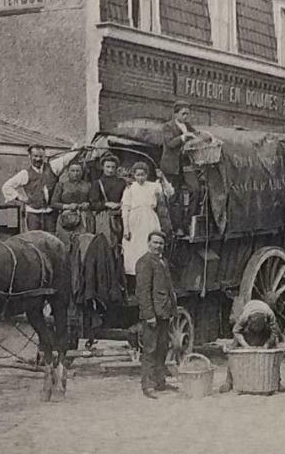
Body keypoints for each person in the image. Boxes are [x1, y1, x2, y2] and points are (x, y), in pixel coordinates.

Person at [135, 231, 177, 399]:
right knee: (150, 349)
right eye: (155, 242)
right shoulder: (145, 263)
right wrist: (149, 314)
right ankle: (147, 385)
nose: (158, 246)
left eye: (161, 243)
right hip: (153, 314)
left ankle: (160, 382)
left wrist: (172, 310)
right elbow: (143, 292)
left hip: (164, 312)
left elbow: (168, 288)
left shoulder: (163, 262)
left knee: (162, 348)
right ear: (148, 243)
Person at [1, 144, 79, 232]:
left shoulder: (52, 167)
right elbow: (6, 186)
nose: (38, 159)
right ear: (29, 156)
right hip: (33, 214)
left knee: (51, 240)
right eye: (35, 156)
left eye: (41, 156)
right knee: (35, 240)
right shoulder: (25, 174)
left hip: (51, 213)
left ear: (44, 156)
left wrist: (79, 149)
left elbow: (66, 159)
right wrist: (21, 198)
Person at [220, 299, 285, 393]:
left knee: (274, 351)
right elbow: (236, 331)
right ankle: (229, 381)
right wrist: (245, 345)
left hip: (265, 327)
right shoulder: (245, 317)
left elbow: (275, 332)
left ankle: (277, 382)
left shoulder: (270, 315)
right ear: (249, 322)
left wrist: (267, 345)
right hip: (248, 320)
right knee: (233, 349)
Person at [121, 162, 174, 277]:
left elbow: (170, 192)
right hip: (135, 221)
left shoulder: (153, 186)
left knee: (149, 246)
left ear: (147, 175)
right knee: (134, 248)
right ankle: (134, 277)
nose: (140, 178)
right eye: (138, 175)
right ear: (134, 175)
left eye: (143, 175)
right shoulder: (130, 188)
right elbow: (125, 209)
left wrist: (162, 177)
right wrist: (126, 229)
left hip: (150, 220)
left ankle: (151, 274)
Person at [160, 101, 199, 235]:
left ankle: (188, 222)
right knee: (175, 197)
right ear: (175, 114)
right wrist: (183, 137)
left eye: (188, 114)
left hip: (186, 166)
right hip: (172, 167)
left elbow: (197, 138)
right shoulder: (168, 126)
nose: (186, 116)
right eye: (183, 113)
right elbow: (170, 143)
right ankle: (177, 227)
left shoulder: (188, 126)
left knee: (195, 190)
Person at [50, 161, 94, 248]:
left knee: (83, 245)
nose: (75, 173)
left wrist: (87, 204)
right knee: (65, 245)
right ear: (68, 172)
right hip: (66, 219)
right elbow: (53, 203)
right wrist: (67, 206)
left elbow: (93, 202)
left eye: (78, 171)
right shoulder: (61, 185)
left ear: (82, 172)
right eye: (73, 171)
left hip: (84, 219)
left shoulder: (88, 185)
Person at [89, 154, 127, 246]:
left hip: (120, 217)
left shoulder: (122, 182)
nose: (110, 170)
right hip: (104, 217)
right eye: (108, 167)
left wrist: (120, 204)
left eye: (113, 167)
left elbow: (128, 199)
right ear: (103, 167)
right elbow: (93, 204)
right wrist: (106, 204)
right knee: (105, 244)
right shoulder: (97, 183)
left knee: (121, 243)